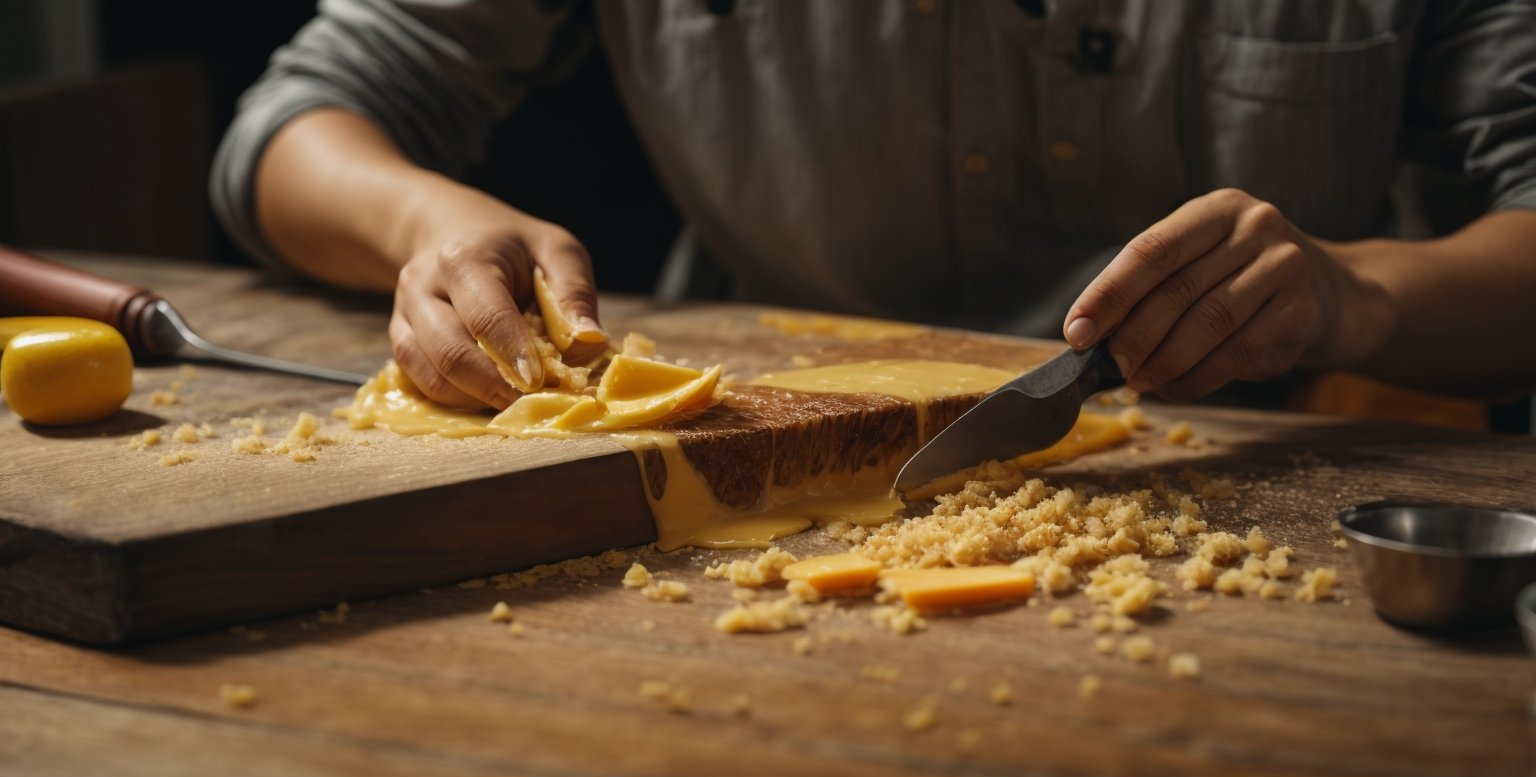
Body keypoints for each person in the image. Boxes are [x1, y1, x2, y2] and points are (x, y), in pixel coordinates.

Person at [212, 0, 1536, 413]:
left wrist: (1357, 296)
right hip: (741, 458)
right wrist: (424, 226)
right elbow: (304, 117)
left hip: (1272, 453)